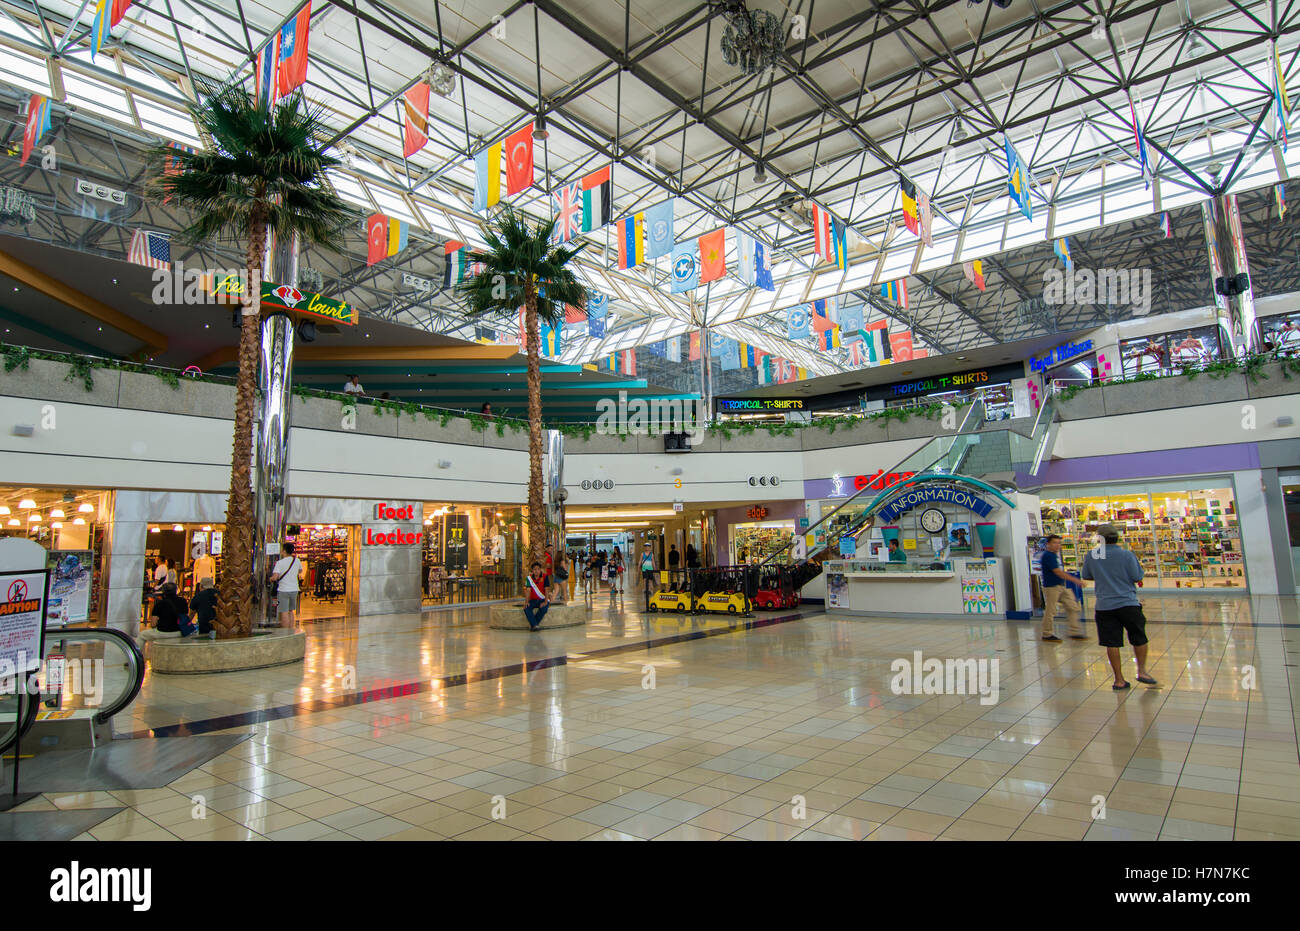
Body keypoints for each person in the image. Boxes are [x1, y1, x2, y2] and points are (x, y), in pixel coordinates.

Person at [1080, 524, 1158, 690]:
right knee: (1139, 637)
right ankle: (1142, 671)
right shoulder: (1126, 555)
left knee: (1112, 643)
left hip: (1104, 605)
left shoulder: (1092, 555)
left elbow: (1086, 575)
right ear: (1117, 538)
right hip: (1128, 603)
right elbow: (1137, 576)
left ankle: (1119, 679)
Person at [1039, 534, 1085, 642]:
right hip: (1052, 587)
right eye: (1054, 543)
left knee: (1072, 606)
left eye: (1059, 543)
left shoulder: (1055, 556)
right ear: (1048, 544)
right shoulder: (1048, 556)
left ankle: (1075, 632)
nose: (1057, 545)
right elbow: (1058, 572)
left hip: (1061, 586)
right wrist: (1076, 580)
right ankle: (1047, 634)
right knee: (1051, 610)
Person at [270, 542, 304, 629]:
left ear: (284, 551)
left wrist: (271, 579)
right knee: (290, 611)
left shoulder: (280, 563)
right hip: (294, 589)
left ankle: (285, 631)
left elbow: (275, 577)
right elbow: (300, 571)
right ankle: (291, 629)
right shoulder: (297, 560)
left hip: (283, 590)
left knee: (284, 612)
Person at [524, 562, 549, 631]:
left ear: (540, 569)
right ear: (532, 570)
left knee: (544, 608)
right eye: (534, 569)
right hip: (533, 600)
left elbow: (547, 589)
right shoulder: (529, 578)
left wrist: (545, 601)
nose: (536, 571)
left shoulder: (545, 577)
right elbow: (528, 590)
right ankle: (535, 625)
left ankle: (534, 625)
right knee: (526, 608)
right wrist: (526, 602)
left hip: (542, 599)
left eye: (538, 569)